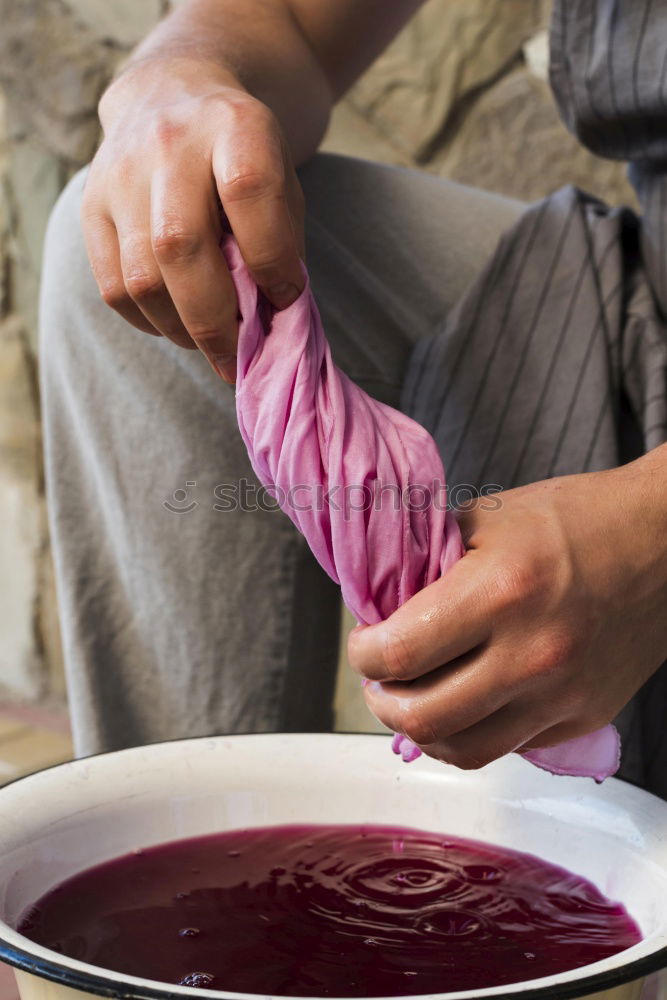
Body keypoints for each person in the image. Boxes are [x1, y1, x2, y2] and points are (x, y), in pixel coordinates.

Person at [40, 0, 667, 797]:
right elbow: (288, 22)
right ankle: (174, 834)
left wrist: (651, 537)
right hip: (647, 296)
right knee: (155, 253)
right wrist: (177, 77)